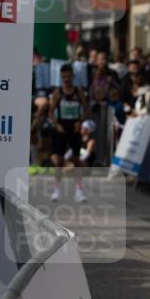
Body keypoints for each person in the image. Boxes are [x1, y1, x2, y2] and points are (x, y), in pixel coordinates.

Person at [49, 63, 91, 201]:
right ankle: (56, 190)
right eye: (63, 77)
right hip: (61, 128)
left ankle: (79, 191)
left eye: (68, 76)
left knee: (76, 160)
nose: (66, 79)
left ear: (73, 76)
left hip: (74, 128)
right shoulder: (58, 92)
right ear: (61, 77)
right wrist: (56, 125)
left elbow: (86, 110)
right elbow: (50, 112)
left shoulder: (78, 92)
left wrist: (80, 122)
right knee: (59, 161)